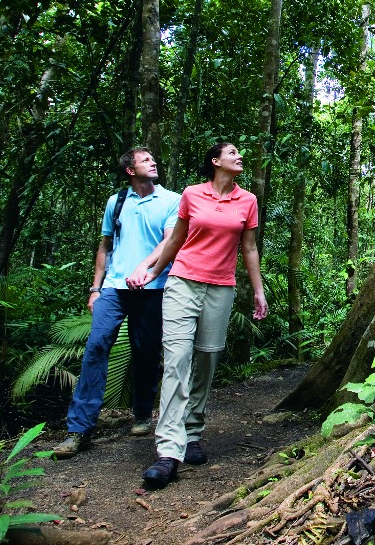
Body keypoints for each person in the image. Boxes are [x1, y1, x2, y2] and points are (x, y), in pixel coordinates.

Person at [126, 141, 268, 489]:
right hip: (183, 282)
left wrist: (259, 291)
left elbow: (248, 248)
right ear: (215, 161)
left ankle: (192, 433)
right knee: (176, 360)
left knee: (206, 359)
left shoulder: (248, 201)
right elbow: (175, 240)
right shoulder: (192, 194)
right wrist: (152, 270)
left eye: (239, 153)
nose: (239, 156)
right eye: (232, 152)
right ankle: (168, 452)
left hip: (221, 287)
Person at [53, 148, 181, 459]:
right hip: (114, 287)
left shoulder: (171, 200)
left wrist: (147, 271)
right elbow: (105, 246)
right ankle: (79, 429)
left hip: (153, 287)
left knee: (146, 352)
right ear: (130, 170)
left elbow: (169, 240)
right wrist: (95, 288)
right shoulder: (117, 201)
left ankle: (140, 413)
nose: (153, 162)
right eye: (145, 160)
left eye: (153, 158)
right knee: (96, 347)